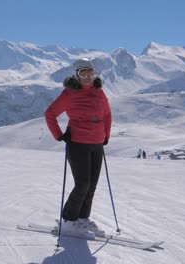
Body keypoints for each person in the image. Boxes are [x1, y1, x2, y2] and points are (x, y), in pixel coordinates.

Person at [45, 58, 112, 238]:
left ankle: (82, 219)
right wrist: (59, 135)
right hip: (78, 143)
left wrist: (106, 135)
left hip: (97, 143)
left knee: (91, 186)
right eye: (83, 73)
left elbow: (106, 114)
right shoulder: (70, 93)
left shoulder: (99, 92)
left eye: (90, 72)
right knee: (82, 184)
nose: (88, 76)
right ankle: (68, 221)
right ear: (76, 74)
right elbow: (50, 113)